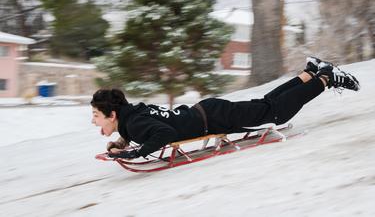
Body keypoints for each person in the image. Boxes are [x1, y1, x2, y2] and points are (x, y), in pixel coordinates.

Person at [91, 57, 360, 159]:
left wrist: (134, 153)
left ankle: (326, 78)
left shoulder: (134, 124)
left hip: (215, 118)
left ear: (112, 115)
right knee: (267, 105)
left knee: (276, 114)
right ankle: (310, 72)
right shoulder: (133, 115)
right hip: (208, 111)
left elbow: (161, 135)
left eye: (96, 115)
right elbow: (146, 127)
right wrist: (123, 139)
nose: (94, 121)